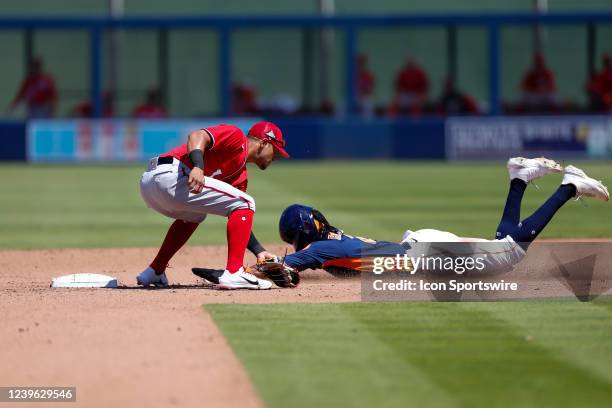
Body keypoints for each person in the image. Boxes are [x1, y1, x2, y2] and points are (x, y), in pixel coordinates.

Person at [273, 158, 607, 276]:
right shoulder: (333, 241)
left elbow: (292, 263)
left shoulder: (322, 251)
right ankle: (519, 178)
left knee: (508, 256)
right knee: (501, 247)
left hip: (425, 256)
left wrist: (239, 271)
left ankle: (568, 188)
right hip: (420, 246)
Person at [138, 121, 289, 290]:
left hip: (152, 187)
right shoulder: (236, 137)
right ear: (263, 143)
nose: (275, 157)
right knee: (246, 202)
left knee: (196, 214)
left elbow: (239, 218)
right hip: (170, 174)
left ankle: (155, 270)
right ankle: (234, 272)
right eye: (275, 151)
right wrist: (198, 167)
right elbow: (196, 136)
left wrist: (259, 252)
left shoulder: (241, 177)